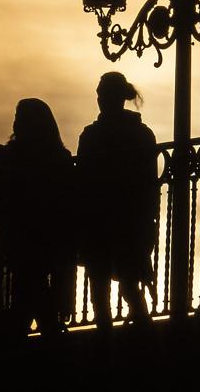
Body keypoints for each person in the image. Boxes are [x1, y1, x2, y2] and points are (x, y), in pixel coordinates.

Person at [0, 98, 77, 339]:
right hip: (43, 244)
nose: (16, 123)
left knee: (17, 301)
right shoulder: (58, 157)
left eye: (19, 119)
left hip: (16, 242)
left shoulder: (6, 157)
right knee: (35, 296)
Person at [76, 72, 159, 329]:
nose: (100, 99)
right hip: (125, 222)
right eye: (99, 95)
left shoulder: (91, 136)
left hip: (110, 221)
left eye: (103, 94)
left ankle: (112, 339)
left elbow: (83, 181)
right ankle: (140, 331)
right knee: (125, 284)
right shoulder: (142, 135)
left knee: (108, 287)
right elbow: (150, 184)